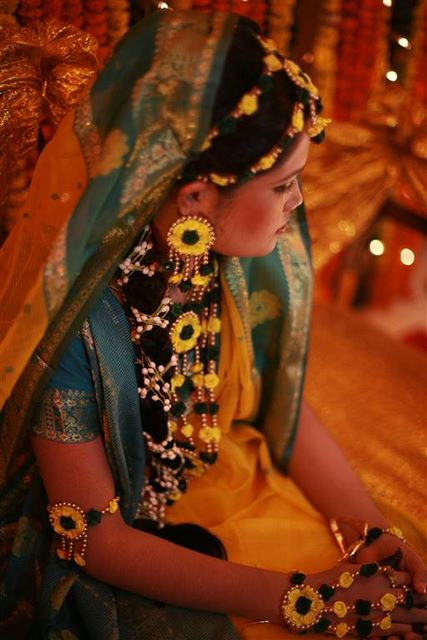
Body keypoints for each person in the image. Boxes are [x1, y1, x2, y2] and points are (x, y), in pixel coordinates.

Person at [0, 8, 425, 640]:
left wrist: (369, 532)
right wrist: (307, 600)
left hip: (231, 482)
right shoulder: (77, 326)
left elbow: (280, 405)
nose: (298, 202)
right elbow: (94, 540)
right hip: (134, 553)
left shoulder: (229, 259)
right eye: (283, 185)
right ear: (197, 197)